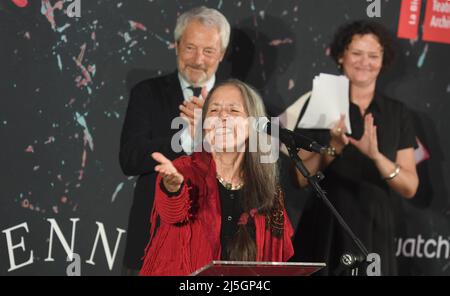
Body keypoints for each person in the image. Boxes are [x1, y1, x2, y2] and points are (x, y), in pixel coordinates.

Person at [292, 21, 419, 275]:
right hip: (327, 224)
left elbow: (410, 187)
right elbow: (299, 177)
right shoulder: (321, 101)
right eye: (356, 53)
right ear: (341, 56)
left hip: (375, 228)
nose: (365, 62)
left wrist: (376, 157)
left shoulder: (397, 113)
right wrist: (334, 148)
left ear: (383, 60)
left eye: (373, 55)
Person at [139, 80, 294, 276]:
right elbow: (173, 213)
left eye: (234, 110)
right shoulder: (184, 169)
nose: (222, 116)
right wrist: (173, 188)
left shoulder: (268, 189)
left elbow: (278, 254)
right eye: (213, 111)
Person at [119, 6, 231, 275]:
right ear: (176, 45)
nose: (198, 60)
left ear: (222, 54)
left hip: (218, 242)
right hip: (153, 240)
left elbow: (251, 166)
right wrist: (184, 137)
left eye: (208, 51)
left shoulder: (238, 100)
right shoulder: (147, 93)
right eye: (190, 48)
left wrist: (209, 133)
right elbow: (130, 158)